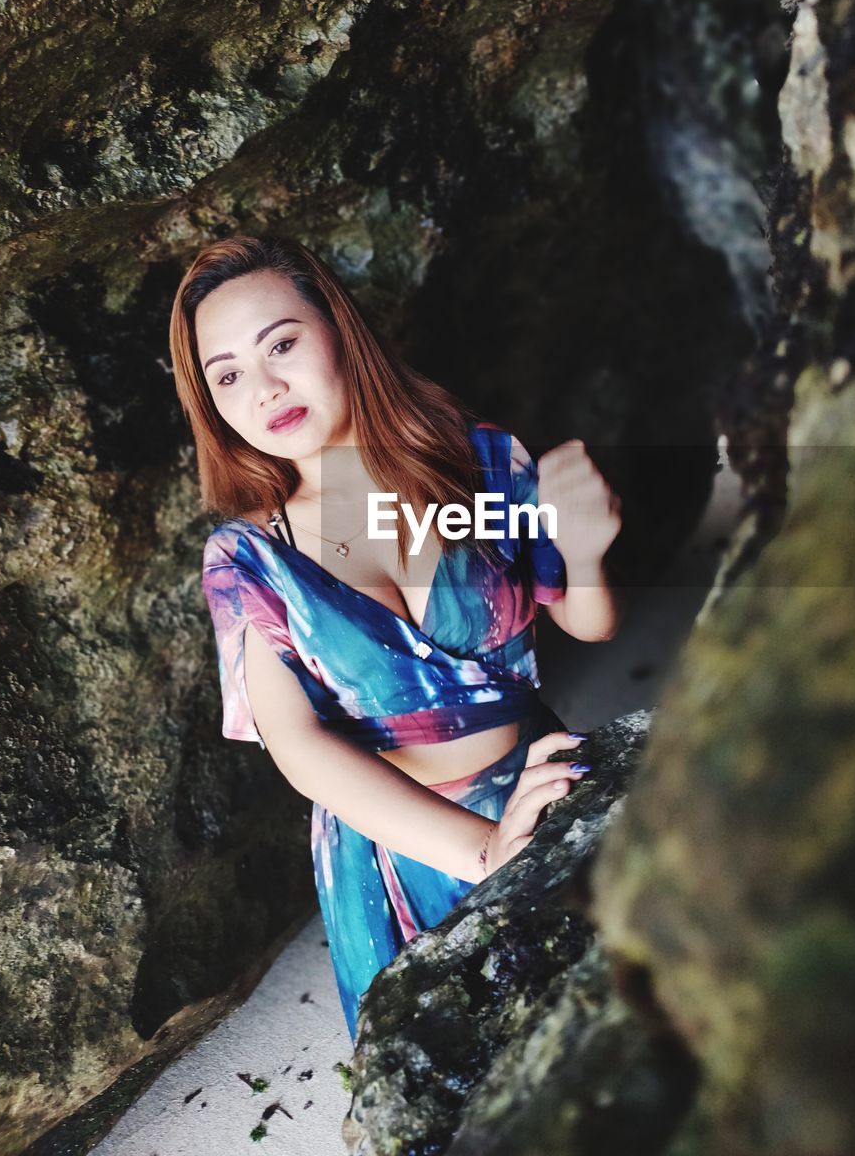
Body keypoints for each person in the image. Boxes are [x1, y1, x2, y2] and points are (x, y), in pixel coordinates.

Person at [168, 235, 623, 1040]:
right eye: (229, 375)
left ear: (338, 329)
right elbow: (299, 747)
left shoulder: (477, 464)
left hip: (537, 787)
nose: (265, 388)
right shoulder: (248, 560)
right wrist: (482, 851)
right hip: (398, 856)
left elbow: (582, 618)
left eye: (282, 344)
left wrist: (584, 552)